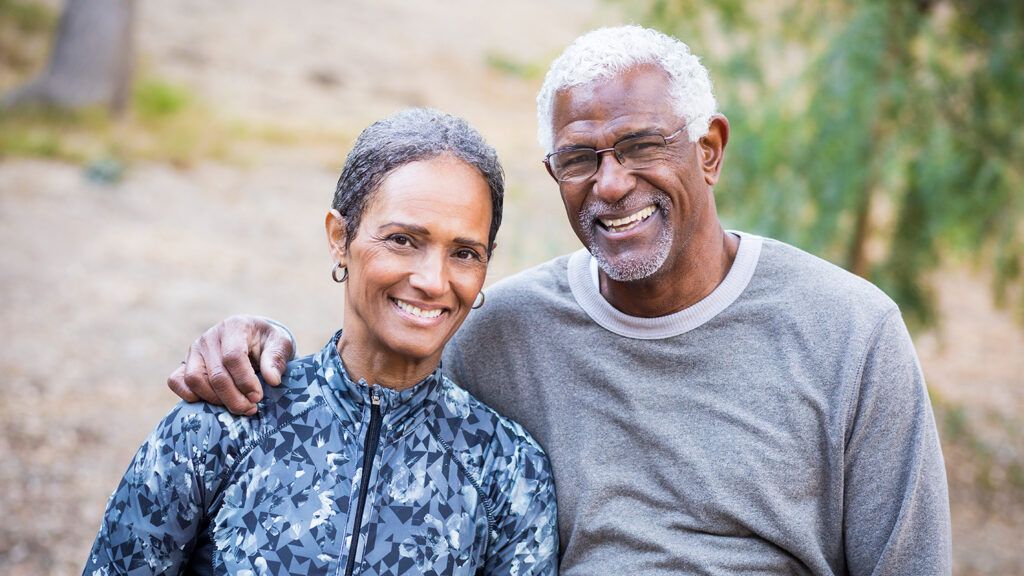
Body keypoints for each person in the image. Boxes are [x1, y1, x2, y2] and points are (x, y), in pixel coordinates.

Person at [169, 26, 952, 575]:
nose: (612, 185)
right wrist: (256, 342)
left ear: (708, 150)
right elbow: (376, 373)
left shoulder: (850, 332)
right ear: (555, 176)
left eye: (644, 146)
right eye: (581, 159)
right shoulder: (503, 329)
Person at [85, 108, 558, 576]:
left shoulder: (509, 472)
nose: (433, 281)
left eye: (464, 253)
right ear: (339, 237)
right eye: (402, 240)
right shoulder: (223, 424)